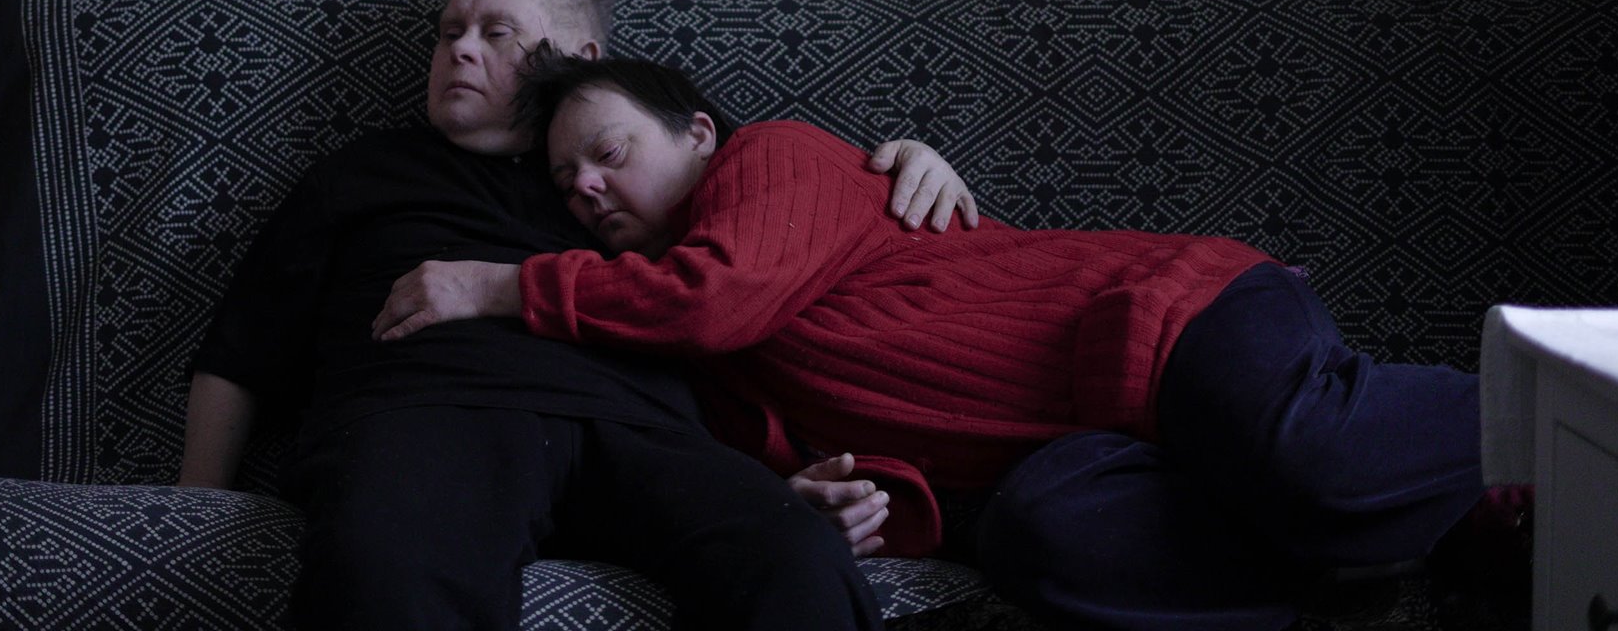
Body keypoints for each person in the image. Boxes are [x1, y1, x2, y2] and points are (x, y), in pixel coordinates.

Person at [378, 55, 1513, 631]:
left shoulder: (771, 162)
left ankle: (1583, 403)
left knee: (1304, 451)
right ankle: (1372, 564)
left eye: (610, 150)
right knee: (1044, 539)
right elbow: (831, 457)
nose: (585, 185)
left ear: (697, 132)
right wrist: (827, 496)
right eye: (567, 180)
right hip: (1075, 453)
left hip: (1167, 320)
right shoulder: (689, 366)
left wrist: (501, 281)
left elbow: (718, 294)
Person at [179, 0, 977, 631]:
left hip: (645, 427)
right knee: (388, 566)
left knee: (795, 557)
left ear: (581, 59)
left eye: (498, 33)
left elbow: (782, 229)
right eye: (449, 32)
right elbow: (242, 351)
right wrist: (194, 502)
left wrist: (904, 156)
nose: (460, 50)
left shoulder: (645, 161)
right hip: (432, 405)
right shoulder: (362, 173)